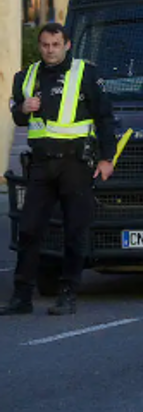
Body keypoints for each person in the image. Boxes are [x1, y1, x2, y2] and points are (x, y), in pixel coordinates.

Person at [2, 23, 117, 316]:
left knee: (74, 230)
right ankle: (22, 297)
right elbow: (18, 118)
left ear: (66, 45)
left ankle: (68, 294)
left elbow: (104, 118)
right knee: (28, 230)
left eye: (55, 45)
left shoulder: (85, 73)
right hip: (41, 165)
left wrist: (107, 159)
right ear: (40, 46)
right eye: (44, 45)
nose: (49, 50)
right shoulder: (25, 77)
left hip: (74, 164)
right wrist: (23, 109)